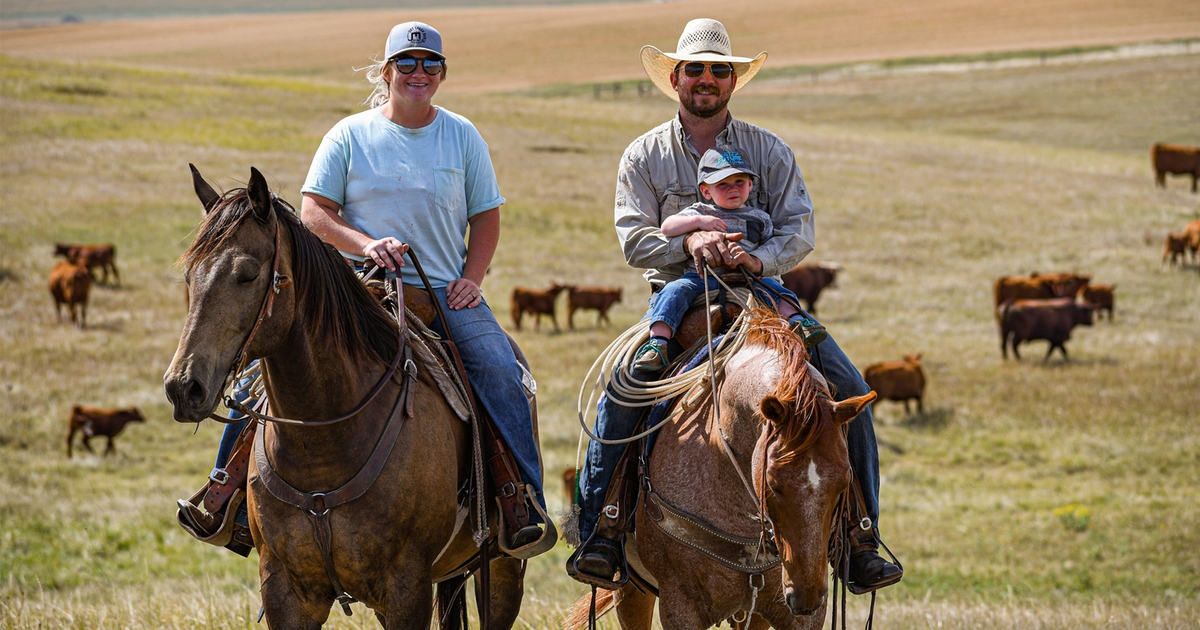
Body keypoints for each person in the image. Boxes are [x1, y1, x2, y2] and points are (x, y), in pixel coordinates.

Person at [179, 21, 546, 553]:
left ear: (442, 74)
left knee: (499, 369)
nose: (419, 72)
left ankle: (520, 501)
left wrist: (471, 279)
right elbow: (313, 212)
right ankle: (225, 497)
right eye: (407, 63)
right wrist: (366, 244)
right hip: (355, 290)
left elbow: (486, 216)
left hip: (442, 291)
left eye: (430, 64)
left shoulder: (462, 135)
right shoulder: (349, 135)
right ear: (387, 71)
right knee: (258, 377)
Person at [569, 18, 902, 594]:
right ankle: (603, 526)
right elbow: (634, 237)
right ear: (676, 77)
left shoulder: (768, 151)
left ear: (732, 81)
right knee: (623, 390)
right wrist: (689, 242)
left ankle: (860, 537)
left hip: (761, 298)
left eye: (719, 70)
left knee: (848, 389)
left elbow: (798, 228)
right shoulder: (644, 155)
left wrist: (757, 258)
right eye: (695, 68)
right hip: (678, 298)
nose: (707, 78)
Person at [631, 144, 826, 373]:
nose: (732, 188)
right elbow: (667, 227)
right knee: (674, 291)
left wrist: (753, 260)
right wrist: (698, 223)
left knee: (777, 290)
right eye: (722, 184)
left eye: (739, 182)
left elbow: (769, 246)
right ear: (706, 191)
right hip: (701, 278)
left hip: (746, 279)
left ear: (750, 185)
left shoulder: (760, 218)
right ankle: (657, 343)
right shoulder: (699, 211)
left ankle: (798, 322)